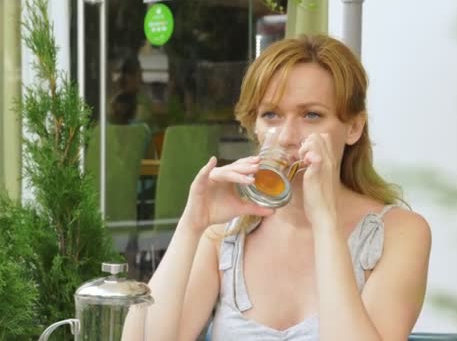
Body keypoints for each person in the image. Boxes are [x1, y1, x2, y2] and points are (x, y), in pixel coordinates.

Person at [125, 34, 431, 341]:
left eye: (311, 115)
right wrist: (191, 225)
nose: (286, 136)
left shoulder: (399, 233)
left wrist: (325, 221)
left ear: (353, 128)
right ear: (255, 126)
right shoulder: (226, 234)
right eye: (271, 114)